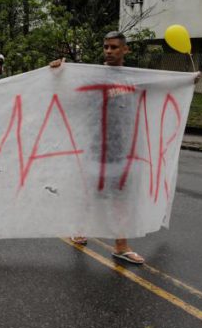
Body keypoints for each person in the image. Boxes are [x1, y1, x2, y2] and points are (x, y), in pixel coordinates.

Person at [50, 31, 148, 264]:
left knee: (121, 199)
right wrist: (58, 75)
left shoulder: (134, 78)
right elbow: (70, 101)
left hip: (123, 150)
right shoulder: (94, 78)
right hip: (96, 149)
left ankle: (121, 246)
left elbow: (162, 87)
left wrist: (187, 81)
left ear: (126, 50)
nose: (108, 51)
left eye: (114, 47)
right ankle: (80, 229)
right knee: (89, 194)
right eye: (105, 47)